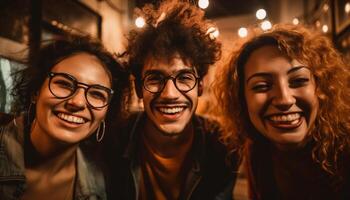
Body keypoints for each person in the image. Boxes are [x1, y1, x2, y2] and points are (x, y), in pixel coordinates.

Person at [105, 0, 239, 199]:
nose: (169, 94)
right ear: (139, 88)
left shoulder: (222, 147)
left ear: (200, 86)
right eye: (155, 79)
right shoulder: (113, 140)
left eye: (184, 78)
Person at [214, 24, 350, 200]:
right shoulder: (257, 151)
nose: (285, 99)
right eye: (262, 86)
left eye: (299, 81)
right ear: (242, 100)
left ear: (321, 88)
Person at [0, 35, 129, 200]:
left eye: (97, 94)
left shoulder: (102, 183)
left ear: (106, 113)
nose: (77, 102)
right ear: (36, 91)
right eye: (64, 84)